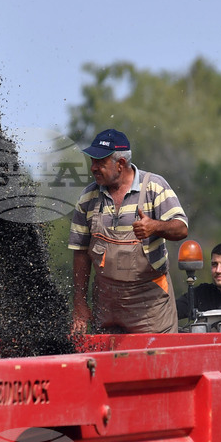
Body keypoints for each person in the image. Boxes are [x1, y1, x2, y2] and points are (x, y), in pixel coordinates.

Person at [68, 128, 189, 334]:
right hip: (106, 303)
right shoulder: (88, 198)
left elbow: (181, 228)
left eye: (100, 162)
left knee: (154, 362)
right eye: (92, 161)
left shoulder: (153, 187)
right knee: (108, 364)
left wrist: (155, 226)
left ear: (120, 164)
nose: (93, 168)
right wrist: (80, 303)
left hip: (149, 306)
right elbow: (80, 252)